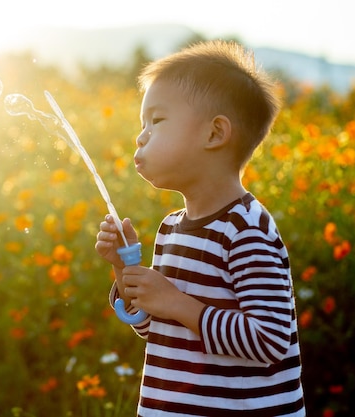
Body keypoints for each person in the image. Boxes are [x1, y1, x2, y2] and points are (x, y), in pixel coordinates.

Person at [95, 40, 305, 416]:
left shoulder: (246, 230)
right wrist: (124, 271)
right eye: (142, 124)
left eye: (156, 121)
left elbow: (270, 340)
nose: (141, 136)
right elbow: (159, 330)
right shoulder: (171, 229)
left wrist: (175, 302)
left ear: (214, 134)